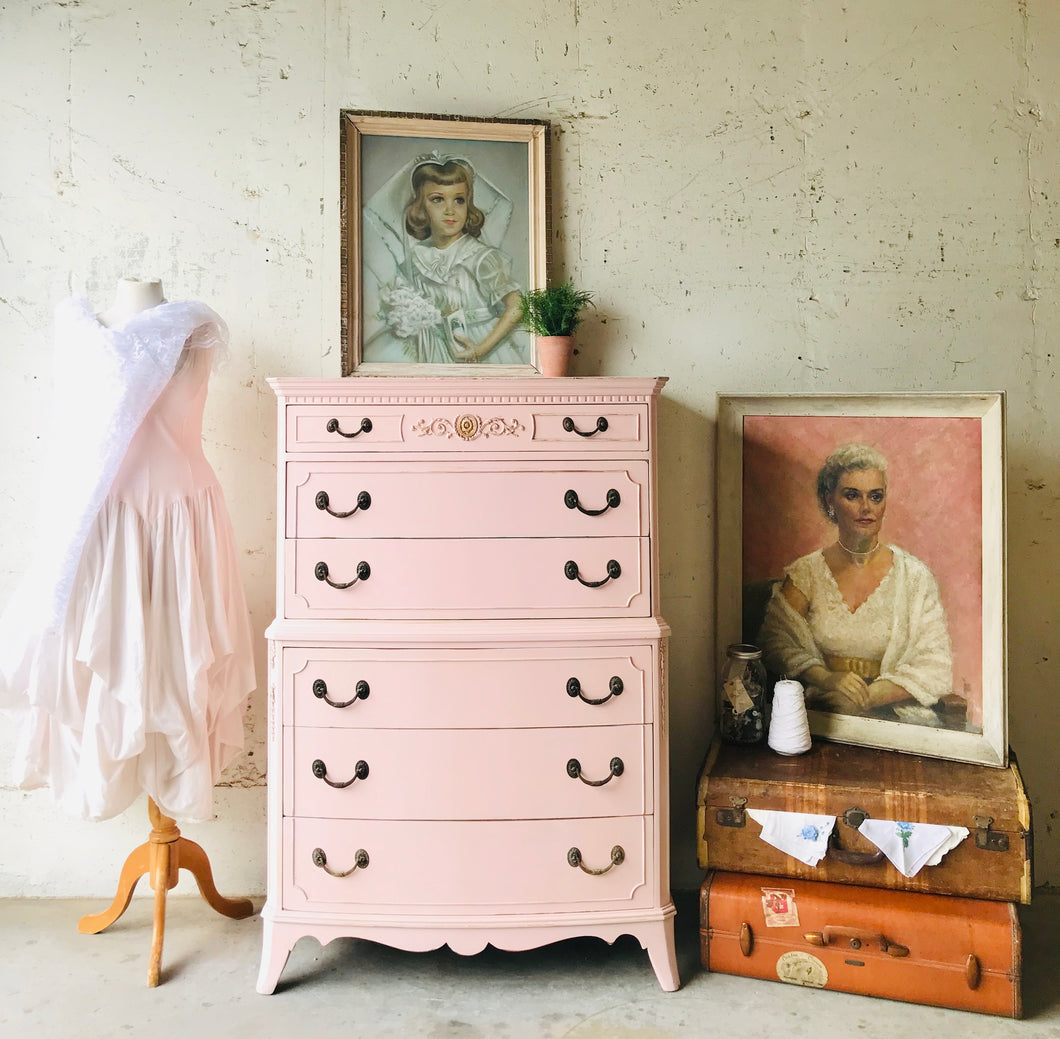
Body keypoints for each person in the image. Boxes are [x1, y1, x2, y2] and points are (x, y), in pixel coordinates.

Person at [757, 443, 953, 721]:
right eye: (852, 495)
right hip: (822, 709)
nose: (866, 508)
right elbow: (775, 643)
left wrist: (866, 698)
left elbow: (935, 664)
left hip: (895, 714)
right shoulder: (807, 573)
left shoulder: (914, 576)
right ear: (829, 501)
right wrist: (826, 678)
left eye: (876, 497)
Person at [376, 156, 524, 365]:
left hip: (478, 347)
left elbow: (517, 305)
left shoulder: (479, 257)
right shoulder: (417, 257)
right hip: (433, 350)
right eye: (437, 199)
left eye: (459, 200)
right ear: (420, 207)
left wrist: (481, 349)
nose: (450, 210)